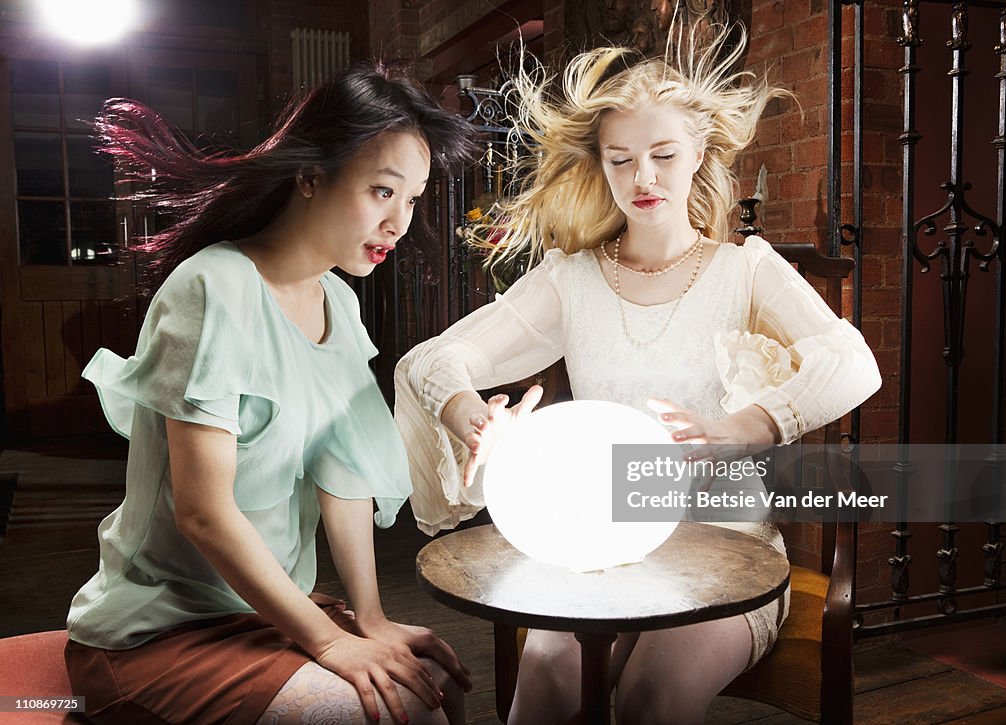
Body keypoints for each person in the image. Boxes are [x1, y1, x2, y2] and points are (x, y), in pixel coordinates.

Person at [394, 24, 881, 725]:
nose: (642, 178)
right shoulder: (572, 280)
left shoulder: (746, 269)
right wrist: (475, 416)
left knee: (655, 695)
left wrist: (745, 427)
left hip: (730, 555)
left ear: (698, 154)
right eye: (621, 160)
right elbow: (434, 360)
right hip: (601, 551)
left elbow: (851, 360)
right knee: (547, 671)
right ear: (600, 165)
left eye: (662, 155)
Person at [65, 62, 476, 725]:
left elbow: (342, 476)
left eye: (414, 198)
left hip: (265, 609)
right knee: (398, 709)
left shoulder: (338, 301)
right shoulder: (214, 286)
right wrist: (328, 639)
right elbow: (202, 511)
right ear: (310, 176)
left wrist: (368, 619)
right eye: (381, 190)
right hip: (159, 632)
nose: (399, 221)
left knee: (435, 682)